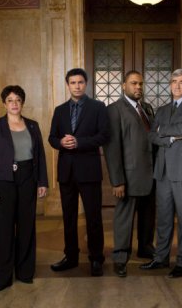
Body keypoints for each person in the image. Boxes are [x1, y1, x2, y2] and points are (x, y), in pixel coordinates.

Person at [0, 85, 48, 292]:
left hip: (28, 178)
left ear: (22, 103)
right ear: (4, 103)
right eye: (10, 100)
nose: (14, 104)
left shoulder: (33, 126)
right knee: (4, 229)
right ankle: (2, 278)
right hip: (4, 181)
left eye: (18, 100)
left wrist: (42, 182)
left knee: (27, 226)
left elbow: (40, 157)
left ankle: (25, 272)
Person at [140, 69, 182, 278]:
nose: (177, 85)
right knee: (164, 218)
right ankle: (161, 257)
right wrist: (170, 136)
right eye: (174, 81)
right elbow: (151, 136)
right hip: (163, 170)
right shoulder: (162, 109)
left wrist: (164, 131)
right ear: (170, 84)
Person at [48, 68, 109, 277]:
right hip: (66, 172)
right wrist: (61, 143)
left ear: (86, 84)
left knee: (93, 217)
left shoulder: (98, 107)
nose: (77, 86)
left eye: (80, 82)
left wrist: (80, 142)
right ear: (67, 85)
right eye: (73, 82)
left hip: (89, 171)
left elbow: (104, 136)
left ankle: (96, 259)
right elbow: (51, 138)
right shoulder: (60, 110)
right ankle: (71, 257)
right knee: (69, 217)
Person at [104, 70, 156, 277]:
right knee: (124, 217)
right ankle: (120, 256)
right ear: (123, 85)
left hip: (150, 173)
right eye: (134, 83)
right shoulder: (114, 110)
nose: (138, 87)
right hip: (128, 176)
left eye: (141, 84)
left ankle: (145, 247)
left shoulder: (147, 109)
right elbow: (112, 147)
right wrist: (117, 181)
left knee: (148, 214)